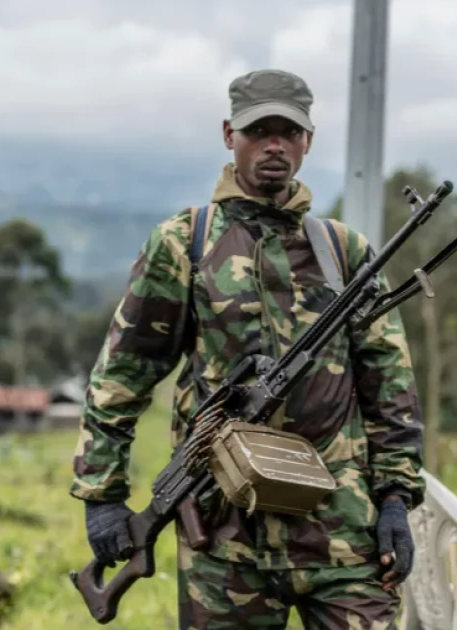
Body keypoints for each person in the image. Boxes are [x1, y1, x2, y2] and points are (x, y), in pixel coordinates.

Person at [70, 68, 426, 629]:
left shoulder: (346, 253)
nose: (275, 145)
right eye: (259, 130)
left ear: (308, 141)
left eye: (290, 131)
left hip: (341, 530)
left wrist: (396, 499)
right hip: (225, 533)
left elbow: (391, 389)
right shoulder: (185, 243)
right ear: (228, 135)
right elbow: (123, 371)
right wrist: (102, 493)